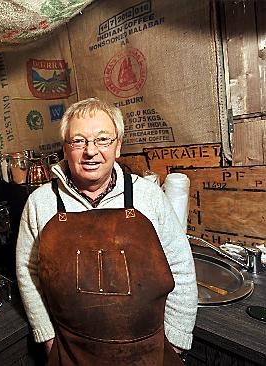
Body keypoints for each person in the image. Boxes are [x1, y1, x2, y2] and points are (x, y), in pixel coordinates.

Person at [16, 97, 197, 365]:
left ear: (118, 146)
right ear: (65, 149)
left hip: (149, 353)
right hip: (70, 352)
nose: (91, 151)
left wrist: (176, 338)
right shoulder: (41, 203)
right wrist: (47, 335)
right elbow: (28, 272)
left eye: (103, 140)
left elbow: (180, 266)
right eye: (78, 141)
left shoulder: (148, 197)